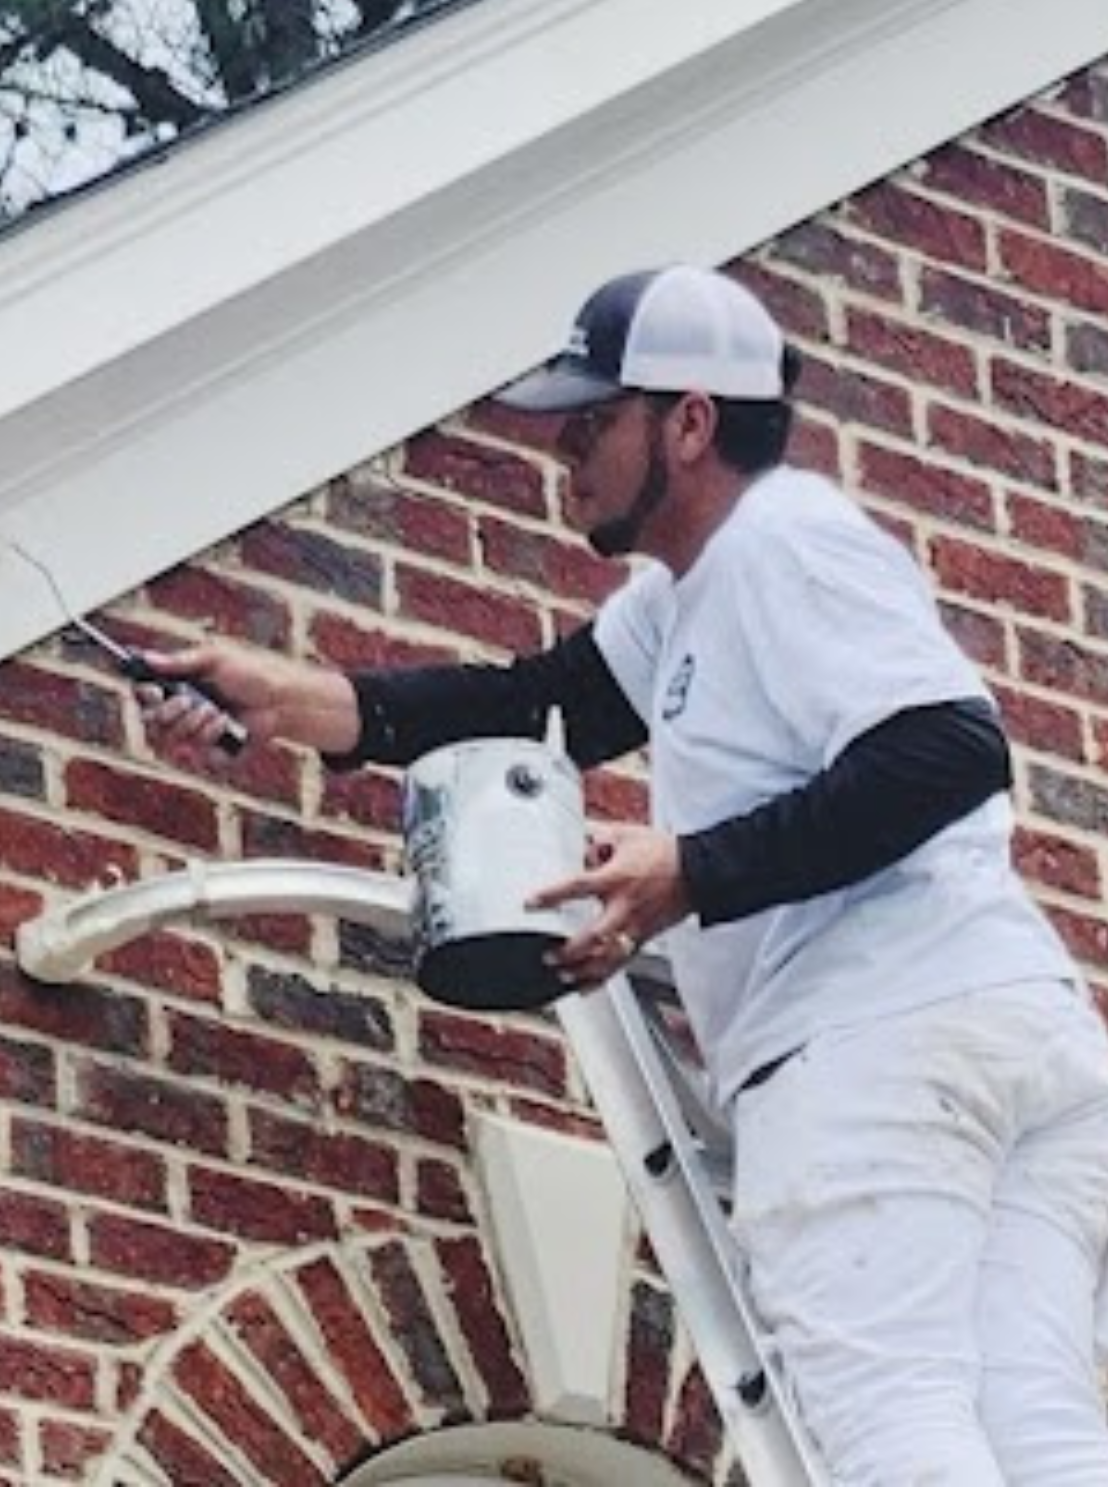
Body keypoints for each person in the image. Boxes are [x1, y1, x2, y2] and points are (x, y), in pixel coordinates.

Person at [140, 262, 1108, 1486]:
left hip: (871, 1048)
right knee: (1035, 1431)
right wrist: (289, 701)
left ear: (688, 423)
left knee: (884, 1419)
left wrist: (688, 871)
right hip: (1011, 1038)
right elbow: (530, 705)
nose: (565, 454)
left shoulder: (781, 543)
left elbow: (947, 751)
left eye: (593, 423)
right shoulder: (677, 602)